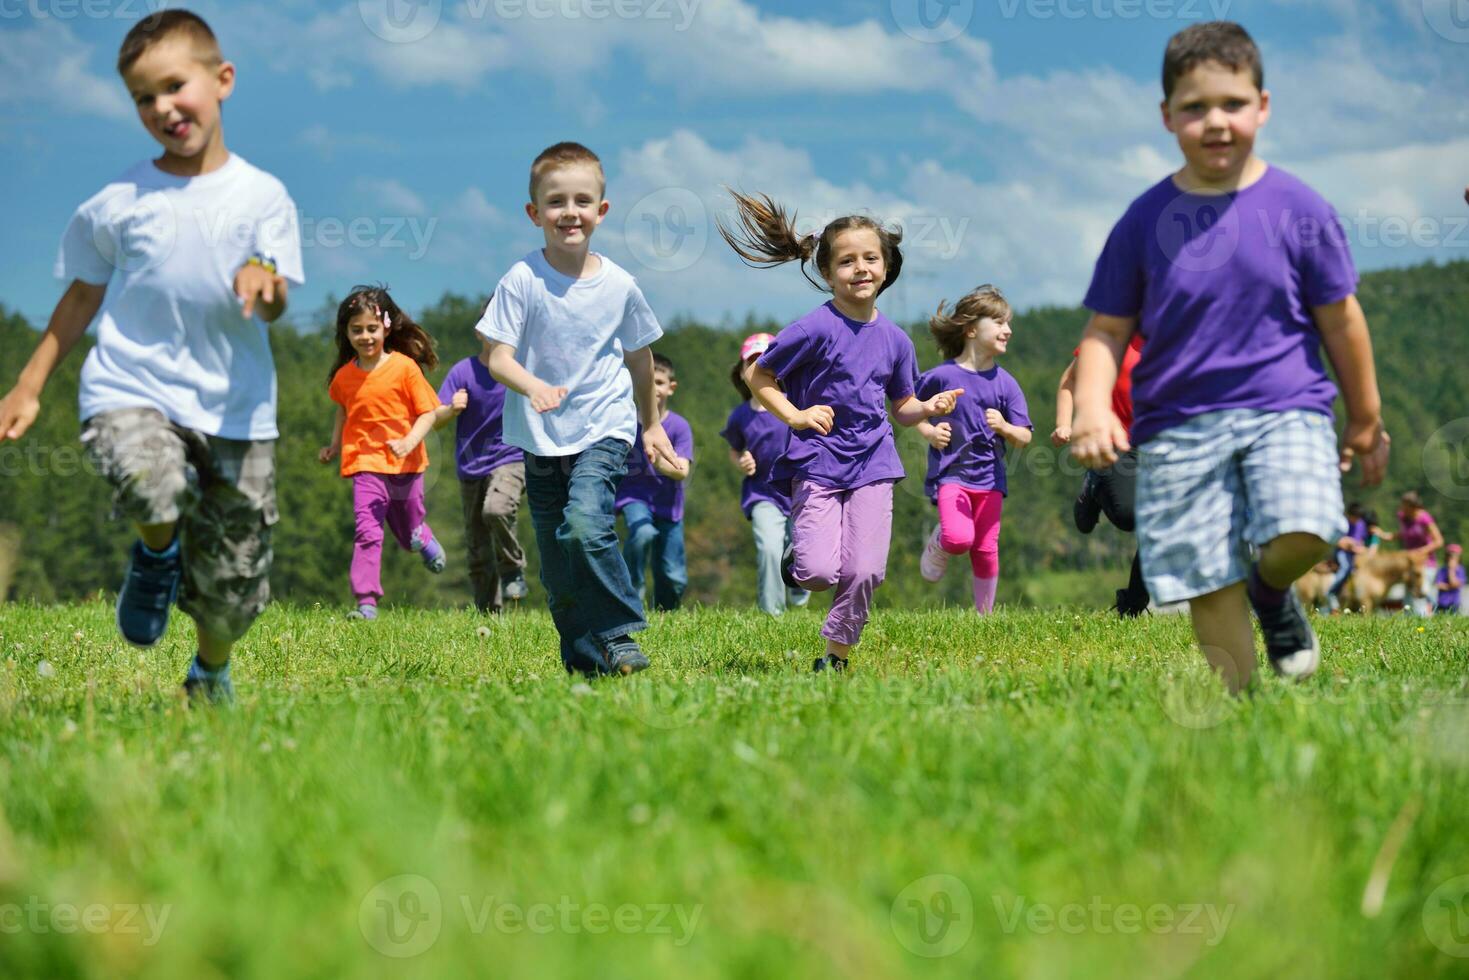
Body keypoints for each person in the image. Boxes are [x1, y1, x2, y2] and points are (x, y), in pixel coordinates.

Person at [1070, 21, 1390, 694]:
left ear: (1262, 106)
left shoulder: (1299, 208)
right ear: (1166, 117)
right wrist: (1093, 406)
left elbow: (1341, 320)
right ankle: (1239, 704)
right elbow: (1105, 332)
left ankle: (1271, 592)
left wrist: (1363, 415)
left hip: (1287, 409)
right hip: (1176, 426)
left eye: (1232, 104)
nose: (1214, 122)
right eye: (1193, 107)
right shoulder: (1141, 220)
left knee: (1308, 529)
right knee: (1201, 575)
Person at [0, 11, 303, 704]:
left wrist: (266, 283)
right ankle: (157, 553)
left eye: (175, 86)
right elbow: (81, 296)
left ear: (222, 80)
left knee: (233, 590)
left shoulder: (263, 198)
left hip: (236, 409)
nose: (162, 107)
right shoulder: (119, 203)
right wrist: (27, 384)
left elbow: (279, 292)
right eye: (143, 96)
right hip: (131, 386)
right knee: (149, 480)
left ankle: (210, 670)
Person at [718, 191, 961, 672]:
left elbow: (903, 407)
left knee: (865, 570)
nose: (861, 268)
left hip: (874, 462)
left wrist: (928, 407)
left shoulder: (895, 339)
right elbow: (758, 377)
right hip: (817, 463)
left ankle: (836, 656)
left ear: (887, 266)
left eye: (870, 258)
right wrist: (796, 416)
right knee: (817, 573)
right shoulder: (813, 330)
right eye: (847, 261)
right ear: (827, 274)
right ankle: (797, 558)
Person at [478, 142, 679, 677]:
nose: (570, 212)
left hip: (603, 427)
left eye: (582, 200)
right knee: (559, 562)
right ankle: (585, 665)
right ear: (534, 213)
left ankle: (619, 633)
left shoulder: (620, 286)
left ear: (601, 211)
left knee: (584, 528)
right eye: (556, 201)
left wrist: (651, 425)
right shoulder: (522, 278)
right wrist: (533, 386)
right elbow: (495, 356)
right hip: (539, 436)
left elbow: (640, 358)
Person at [319, 287, 463, 620]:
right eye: (356, 330)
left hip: (406, 464)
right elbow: (343, 410)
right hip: (365, 463)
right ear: (346, 332)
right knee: (368, 530)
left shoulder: (404, 368)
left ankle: (421, 538)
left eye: (371, 328)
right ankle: (366, 602)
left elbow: (428, 412)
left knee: (407, 530)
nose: (365, 336)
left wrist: (410, 442)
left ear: (385, 327)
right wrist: (335, 445)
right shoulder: (344, 377)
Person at [915, 284, 1032, 613]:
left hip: (991, 481)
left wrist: (1006, 427)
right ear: (970, 329)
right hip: (952, 475)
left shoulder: (1006, 383)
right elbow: (906, 408)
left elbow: (1024, 436)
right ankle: (939, 541)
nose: (1007, 330)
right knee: (958, 539)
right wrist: (929, 430)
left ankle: (985, 616)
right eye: (998, 322)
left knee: (985, 548)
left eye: (1008, 323)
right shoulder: (941, 376)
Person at [1055, 333, 1150, 617]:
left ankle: (1131, 606)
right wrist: (1064, 423)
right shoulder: (1112, 335)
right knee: (1128, 516)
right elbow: (1070, 381)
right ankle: (1093, 485)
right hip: (1114, 441)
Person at [439, 333, 530, 615]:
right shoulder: (463, 371)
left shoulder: (522, 369)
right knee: (477, 546)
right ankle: (488, 614)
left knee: (496, 509)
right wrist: (451, 409)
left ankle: (513, 569)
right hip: (471, 466)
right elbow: (435, 418)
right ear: (479, 332)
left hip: (511, 458)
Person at [720, 333, 810, 615]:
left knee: (802, 548)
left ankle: (798, 585)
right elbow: (735, 450)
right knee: (770, 549)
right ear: (742, 370)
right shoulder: (739, 416)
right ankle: (773, 613)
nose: (759, 366)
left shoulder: (792, 402)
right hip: (761, 494)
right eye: (752, 361)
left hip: (799, 490)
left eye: (765, 360)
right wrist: (741, 460)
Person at [615, 353, 693, 612]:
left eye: (659, 382)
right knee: (642, 532)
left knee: (673, 575)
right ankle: (632, 599)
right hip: (633, 498)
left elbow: (682, 471)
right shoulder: (624, 424)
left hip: (669, 506)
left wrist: (659, 463)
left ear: (671, 387)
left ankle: (666, 614)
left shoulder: (679, 426)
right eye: (648, 382)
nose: (653, 389)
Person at [1397, 490, 1445, 616]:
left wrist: (1423, 550)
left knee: (1421, 594)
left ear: (1413, 506)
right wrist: (1385, 535)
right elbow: (1404, 535)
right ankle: (1408, 625)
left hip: (1426, 563)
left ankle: (1425, 622)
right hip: (1410, 563)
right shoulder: (1403, 517)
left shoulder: (1424, 518)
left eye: (1404, 505)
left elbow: (1439, 541)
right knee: (1408, 596)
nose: (1402, 508)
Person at [1324, 502, 1372, 612]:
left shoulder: (1361, 524)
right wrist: (1351, 545)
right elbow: (1340, 542)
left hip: (1356, 552)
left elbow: (1360, 541)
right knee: (1346, 567)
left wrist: (1356, 546)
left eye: (1357, 518)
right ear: (1348, 515)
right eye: (1354, 517)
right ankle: (1331, 590)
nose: (1355, 520)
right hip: (1342, 551)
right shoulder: (1343, 523)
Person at [1436, 544, 1464, 615]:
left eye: (1454, 557)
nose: (1451, 559)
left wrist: (1451, 570)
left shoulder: (1460, 570)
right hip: (1442, 602)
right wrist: (1450, 586)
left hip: (1454, 603)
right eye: (1450, 556)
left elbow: (1456, 584)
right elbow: (1439, 585)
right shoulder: (1442, 569)